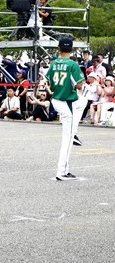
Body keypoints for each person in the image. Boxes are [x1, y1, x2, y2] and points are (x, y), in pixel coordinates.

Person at [45, 38, 86, 181]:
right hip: (66, 100)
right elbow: (80, 85)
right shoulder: (73, 64)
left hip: (56, 98)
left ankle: (74, 131)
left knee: (83, 102)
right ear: (72, 49)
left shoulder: (54, 63)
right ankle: (62, 171)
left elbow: (48, 80)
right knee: (67, 138)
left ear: (59, 48)